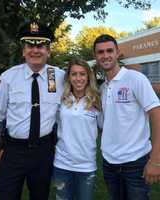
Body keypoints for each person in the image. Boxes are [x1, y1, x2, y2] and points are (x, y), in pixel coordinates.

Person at [0, 22, 65, 200]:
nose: (35, 51)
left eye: (41, 46)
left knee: (40, 195)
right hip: (14, 151)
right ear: (23, 51)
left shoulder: (58, 76)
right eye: (30, 45)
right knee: (6, 194)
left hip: (44, 151)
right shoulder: (9, 77)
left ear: (48, 51)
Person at [93, 34, 160, 200]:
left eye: (110, 50)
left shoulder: (135, 78)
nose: (105, 55)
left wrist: (155, 160)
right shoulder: (102, 89)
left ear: (118, 53)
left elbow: (156, 114)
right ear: (95, 56)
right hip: (109, 163)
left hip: (135, 163)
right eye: (100, 52)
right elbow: (104, 125)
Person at [53, 58, 101, 200]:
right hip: (62, 163)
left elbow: (103, 128)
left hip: (87, 166)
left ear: (88, 77)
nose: (78, 78)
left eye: (82, 74)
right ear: (68, 77)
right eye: (74, 74)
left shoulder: (97, 101)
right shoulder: (61, 99)